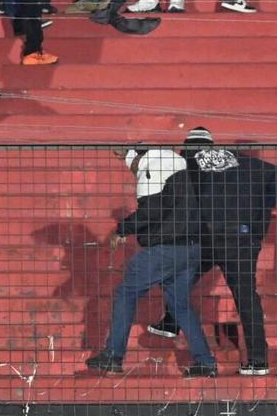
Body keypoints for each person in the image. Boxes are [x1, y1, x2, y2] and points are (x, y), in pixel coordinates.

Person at [144, 129, 277, 375]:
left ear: (187, 146)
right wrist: (261, 214)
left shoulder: (187, 162)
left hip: (207, 237)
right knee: (246, 298)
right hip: (241, 238)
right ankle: (259, 360)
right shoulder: (241, 159)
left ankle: (170, 322)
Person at [85, 148, 220, 378]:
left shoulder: (152, 170)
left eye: (133, 166)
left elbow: (150, 211)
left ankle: (113, 355)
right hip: (191, 248)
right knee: (180, 306)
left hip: (165, 250)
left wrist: (123, 229)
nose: (134, 172)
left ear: (138, 159)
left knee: (126, 293)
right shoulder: (176, 172)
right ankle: (205, 362)